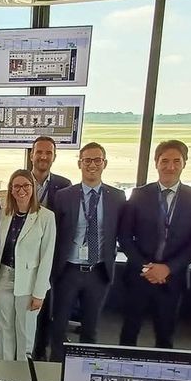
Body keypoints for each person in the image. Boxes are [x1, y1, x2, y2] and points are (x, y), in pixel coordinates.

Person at [119, 140, 191, 348]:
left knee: (166, 334)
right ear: (156, 163)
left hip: (173, 278)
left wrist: (167, 268)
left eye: (176, 161)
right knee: (129, 331)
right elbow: (124, 236)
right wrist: (146, 268)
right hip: (140, 275)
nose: (170, 166)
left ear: (184, 163)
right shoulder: (139, 195)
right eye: (165, 161)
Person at [48, 142, 127, 362]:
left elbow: (122, 232)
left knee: (90, 328)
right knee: (59, 324)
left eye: (97, 160)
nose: (92, 165)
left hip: (98, 271)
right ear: (79, 164)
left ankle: (85, 369)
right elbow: (54, 233)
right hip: (68, 271)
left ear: (104, 163)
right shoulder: (64, 196)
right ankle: (55, 366)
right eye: (87, 160)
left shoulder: (117, 197)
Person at [0, 170, 56, 361]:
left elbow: (47, 257)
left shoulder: (46, 217)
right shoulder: (4, 214)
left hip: (29, 283)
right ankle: (5, 372)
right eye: (17, 186)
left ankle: (22, 374)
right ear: (11, 190)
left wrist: (39, 293)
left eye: (26, 186)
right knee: (5, 331)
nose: (21, 190)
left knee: (25, 333)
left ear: (33, 188)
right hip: (2, 278)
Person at [29, 135, 72, 359]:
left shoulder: (64, 185)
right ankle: (25, 350)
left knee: (46, 307)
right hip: (25, 256)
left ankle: (40, 352)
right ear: (31, 155)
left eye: (48, 153)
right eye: (39, 152)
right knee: (26, 306)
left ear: (54, 157)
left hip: (51, 256)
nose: (43, 156)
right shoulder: (20, 180)